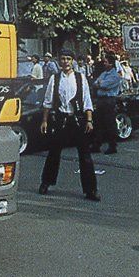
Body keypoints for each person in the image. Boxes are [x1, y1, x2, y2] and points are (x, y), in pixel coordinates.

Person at [38, 50, 100, 201]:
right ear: (59, 61)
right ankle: (46, 182)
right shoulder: (55, 78)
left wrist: (89, 120)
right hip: (61, 118)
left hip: (77, 120)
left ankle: (90, 190)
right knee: (54, 153)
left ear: (72, 61)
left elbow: (87, 100)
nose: (65, 62)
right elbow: (47, 101)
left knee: (85, 155)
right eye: (63, 59)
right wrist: (45, 120)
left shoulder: (80, 78)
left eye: (68, 59)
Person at [94, 52, 123, 155]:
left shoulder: (115, 75)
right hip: (100, 100)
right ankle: (96, 144)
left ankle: (112, 145)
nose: (104, 64)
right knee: (98, 123)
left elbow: (104, 85)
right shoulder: (103, 74)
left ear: (111, 64)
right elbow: (95, 83)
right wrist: (99, 84)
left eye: (106, 62)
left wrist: (100, 83)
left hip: (109, 100)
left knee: (109, 123)